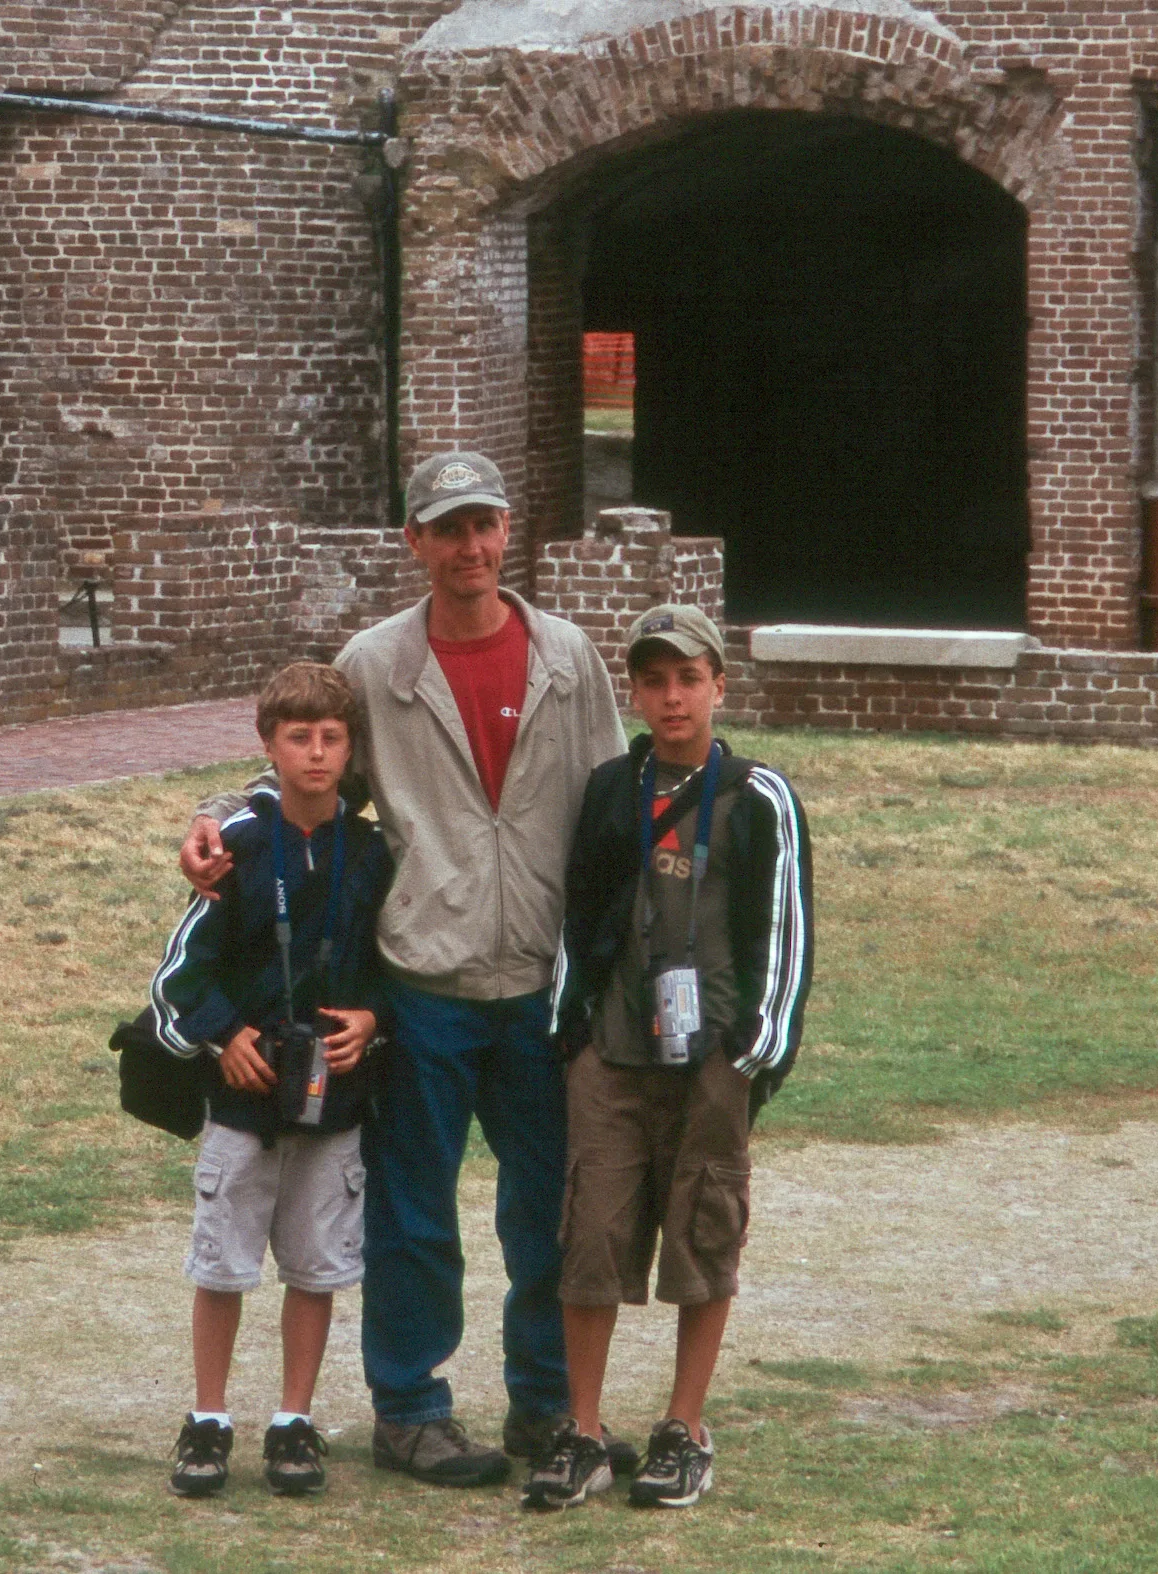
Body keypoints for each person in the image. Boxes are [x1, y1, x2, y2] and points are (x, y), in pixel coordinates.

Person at [178, 452, 626, 1487]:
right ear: (415, 542)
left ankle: (548, 1403)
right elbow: (306, 760)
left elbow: (611, 801)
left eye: (485, 524)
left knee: (545, 1206)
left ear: (509, 528)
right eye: (447, 527)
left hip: (542, 986)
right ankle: (412, 1408)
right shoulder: (377, 662)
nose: (470, 546)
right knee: (414, 1210)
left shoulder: (568, 655)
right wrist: (216, 830)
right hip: (423, 985)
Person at [523, 604, 813, 1511]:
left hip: (712, 1055)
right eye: (654, 680)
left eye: (689, 678)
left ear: (720, 685)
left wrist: (751, 1054)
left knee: (703, 1231)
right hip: (612, 1050)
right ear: (637, 692)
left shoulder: (759, 796)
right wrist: (571, 1039)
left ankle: (685, 1428)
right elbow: (578, 915)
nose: (673, 696)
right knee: (591, 1235)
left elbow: (785, 935)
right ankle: (582, 1429)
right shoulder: (612, 789)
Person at [151, 661, 393, 1498]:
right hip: (242, 1099)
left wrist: (375, 1019)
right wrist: (223, 1035)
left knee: (317, 1267)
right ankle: (209, 1418)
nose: (316, 756)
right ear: (268, 745)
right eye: (299, 739)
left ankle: (295, 1421)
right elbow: (180, 977)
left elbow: (398, 964)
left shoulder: (371, 854)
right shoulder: (237, 847)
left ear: (352, 747)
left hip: (335, 1096)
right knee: (222, 1264)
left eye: (331, 739)